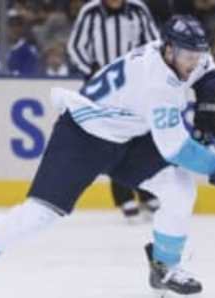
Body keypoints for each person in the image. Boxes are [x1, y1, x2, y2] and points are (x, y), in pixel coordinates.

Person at [0, 15, 215, 298]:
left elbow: (208, 70)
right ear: (169, 49)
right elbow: (177, 149)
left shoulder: (184, 56)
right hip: (83, 136)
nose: (192, 64)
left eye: (196, 55)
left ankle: (164, 266)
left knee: (179, 188)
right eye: (187, 56)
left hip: (128, 135)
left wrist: (208, 107)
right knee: (38, 216)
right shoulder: (155, 83)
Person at [68, 0, 161, 220]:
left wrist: (145, 73)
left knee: (142, 139)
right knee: (113, 140)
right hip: (104, 90)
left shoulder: (138, 10)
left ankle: (147, 193)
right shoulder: (90, 12)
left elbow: (154, 43)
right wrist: (93, 74)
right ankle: (124, 196)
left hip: (136, 86)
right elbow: (75, 47)